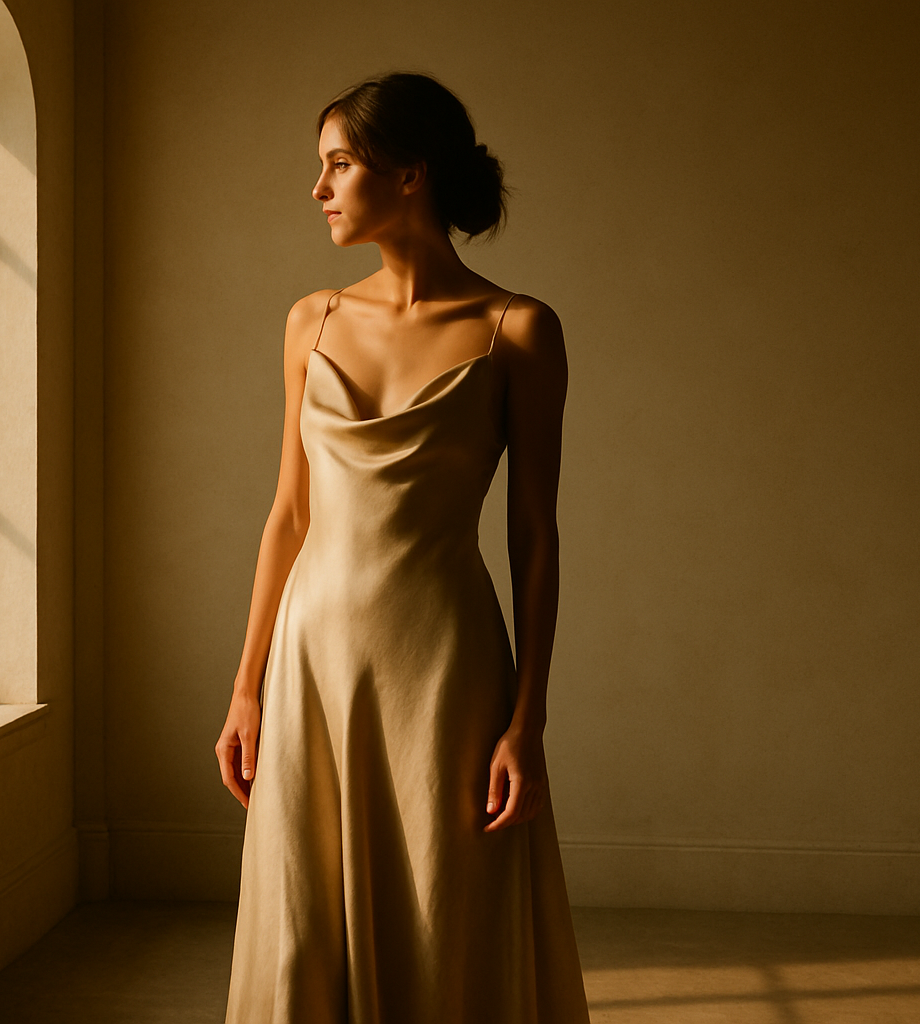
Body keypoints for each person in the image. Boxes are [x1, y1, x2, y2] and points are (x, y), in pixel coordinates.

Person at [215, 71, 591, 1023]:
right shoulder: (315, 320)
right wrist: (247, 683)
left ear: (411, 173)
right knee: (302, 921)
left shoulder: (518, 331)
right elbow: (289, 516)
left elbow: (537, 535)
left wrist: (526, 720)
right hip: (311, 661)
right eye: (323, 166)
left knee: (441, 917)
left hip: (443, 667)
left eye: (340, 164)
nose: (321, 187)